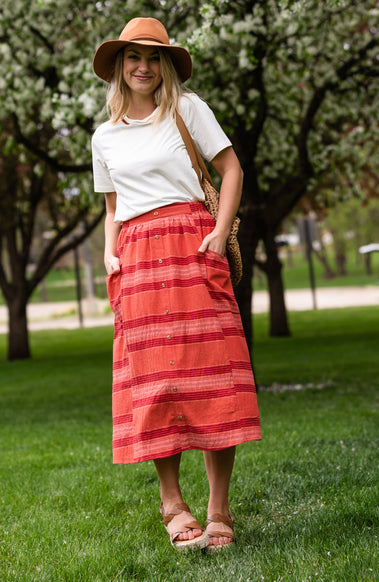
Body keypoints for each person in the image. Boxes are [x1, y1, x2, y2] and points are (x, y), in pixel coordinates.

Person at [91, 17, 261, 552]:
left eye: (154, 57)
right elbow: (112, 206)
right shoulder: (104, 135)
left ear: (166, 65)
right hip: (138, 263)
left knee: (212, 380)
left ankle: (218, 510)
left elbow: (231, 169)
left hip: (192, 248)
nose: (143, 67)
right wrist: (108, 252)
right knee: (155, 387)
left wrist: (217, 232)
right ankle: (172, 504)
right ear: (119, 66)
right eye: (133, 58)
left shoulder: (188, 110)